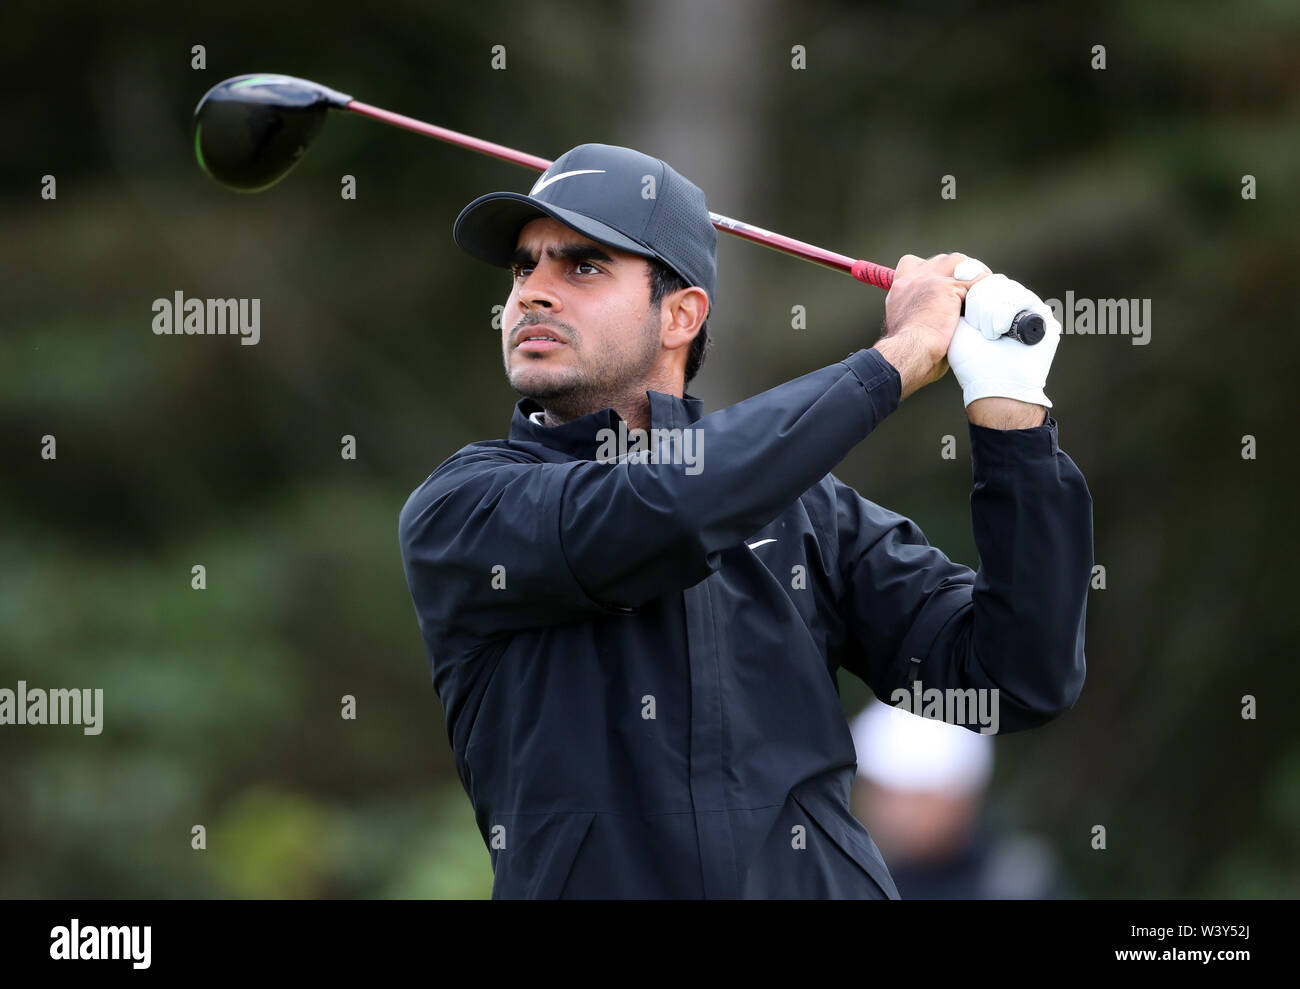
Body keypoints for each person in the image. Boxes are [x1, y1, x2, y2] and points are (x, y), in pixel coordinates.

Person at [398, 143, 1093, 899]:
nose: (533, 293)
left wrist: (1014, 425)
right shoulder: (464, 508)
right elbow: (663, 508)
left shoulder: (807, 516)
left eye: (582, 266)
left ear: (682, 314)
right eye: (523, 269)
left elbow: (1016, 676)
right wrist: (893, 361)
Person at [849, 700, 1069, 899]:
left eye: (914, 797)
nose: (891, 813)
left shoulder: (1015, 884)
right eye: (877, 790)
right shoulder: (855, 874)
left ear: (960, 797)